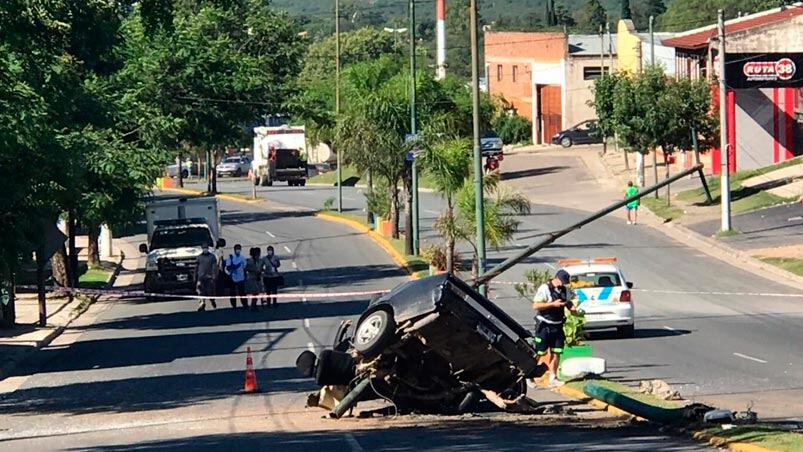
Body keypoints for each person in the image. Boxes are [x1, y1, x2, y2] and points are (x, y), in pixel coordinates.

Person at [532, 269, 577, 387]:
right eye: (561, 281)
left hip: (558, 325)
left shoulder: (565, 290)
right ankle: (529, 375)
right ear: (555, 278)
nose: (562, 284)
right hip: (544, 325)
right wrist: (552, 304)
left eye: (564, 282)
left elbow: (568, 302)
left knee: (557, 352)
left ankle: (553, 377)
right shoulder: (544, 289)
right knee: (539, 352)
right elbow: (536, 305)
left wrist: (572, 308)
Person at [194, 244, 218, 311]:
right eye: (204, 248)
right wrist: (195, 276)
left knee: (210, 292)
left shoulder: (212, 257)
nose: (205, 249)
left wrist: (214, 275)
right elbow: (196, 267)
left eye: (206, 248)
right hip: (201, 277)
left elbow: (215, 267)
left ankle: (212, 301)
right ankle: (202, 304)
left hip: (209, 277)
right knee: (200, 291)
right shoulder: (199, 257)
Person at [224, 244, 247, 309]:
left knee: (242, 292)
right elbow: (228, 267)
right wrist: (233, 266)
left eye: (239, 249)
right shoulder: (230, 258)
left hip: (241, 278)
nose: (238, 250)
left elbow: (244, 267)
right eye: (237, 249)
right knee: (232, 292)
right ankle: (234, 305)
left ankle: (245, 304)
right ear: (234, 250)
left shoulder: (242, 258)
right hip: (233, 278)